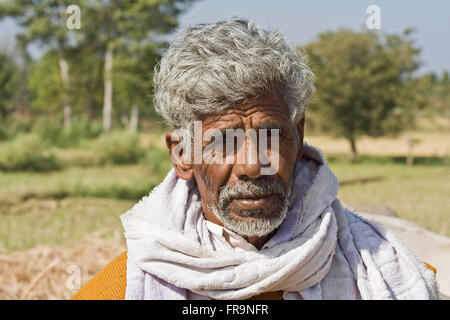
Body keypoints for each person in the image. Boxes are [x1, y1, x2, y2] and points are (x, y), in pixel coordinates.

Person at [72, 19, 438, 300]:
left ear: (299, 134)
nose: (251, 165)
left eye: (271, 135)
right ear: (182, 154)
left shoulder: (389, 273)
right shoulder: (126, 286)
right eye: (222, 141)